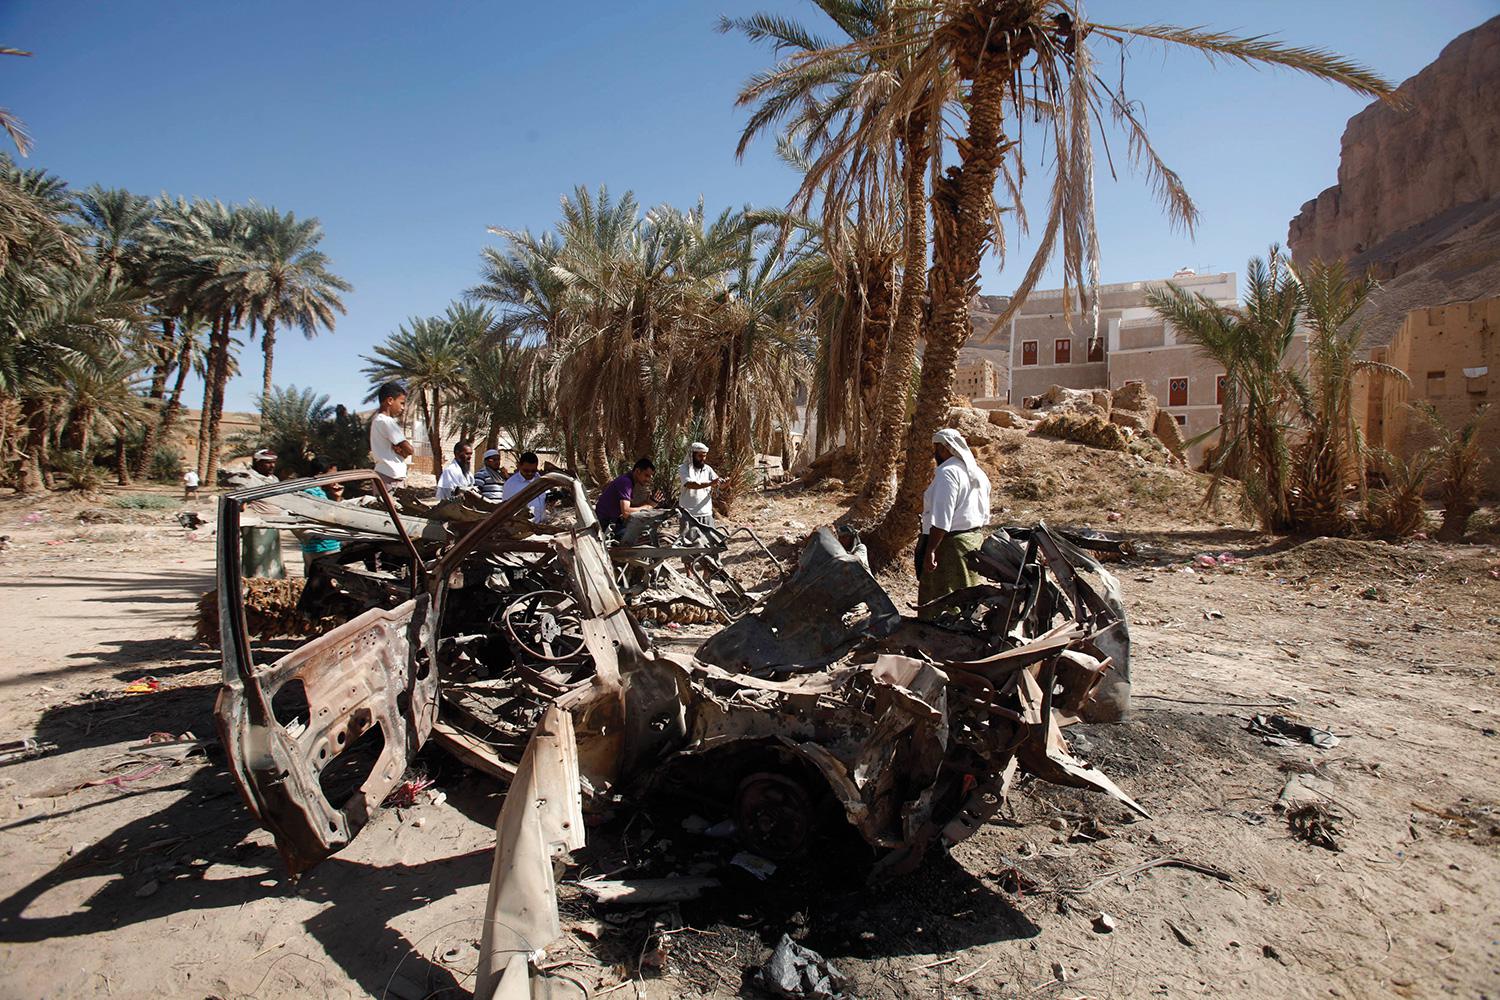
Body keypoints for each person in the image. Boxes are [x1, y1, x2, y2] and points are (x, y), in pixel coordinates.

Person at [916, 428, 992, 620]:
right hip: (973, 540)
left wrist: (931, 549)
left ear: (943, 449)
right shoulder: (977, 473)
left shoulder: (947, 473)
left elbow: (942, 518)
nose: (934, 454)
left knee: (943, 596)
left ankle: (939, 635)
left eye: (936, 449)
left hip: (949, 544)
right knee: (968, 589)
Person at [240, 449, 286, 579]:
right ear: (258, 463)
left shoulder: (274, 479)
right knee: (256, 558)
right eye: (268, 463)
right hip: (255, 526)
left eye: (273, 463)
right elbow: (241, 503)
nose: (272, 466)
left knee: (272, 557)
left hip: (273, 524)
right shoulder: (249, 478)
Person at [297, 456, 343, 573]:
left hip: (316, 545)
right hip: (323, 546)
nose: (335, 479)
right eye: (332, 475)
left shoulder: (313, 491)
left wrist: (336, 497)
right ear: (321, 474)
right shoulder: (314, 494)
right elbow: (331, 517)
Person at [595, 457, 657, 535]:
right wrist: (648, 507)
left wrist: (649, 503)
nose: (648, 479)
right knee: (640, 536)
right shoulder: (625, 482)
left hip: (612, 520)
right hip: (605, 523)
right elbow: (626, 512)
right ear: (638, 471)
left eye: (650, 477)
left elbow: (629, 508)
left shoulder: (629, 481)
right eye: (646, 475)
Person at [370, 381, 413, 490]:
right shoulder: (387, 422)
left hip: (383, 474)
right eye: (401, 403)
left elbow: (403, 452)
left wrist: (402, 451)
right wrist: (404, 450)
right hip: (391, 477)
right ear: (390, 400)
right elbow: (409, 450)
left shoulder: (377, 421)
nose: (403, 408)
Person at [677, 442, 719, 541]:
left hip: (706, 513)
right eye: (700, 456)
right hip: (689, 514)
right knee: (690, 546)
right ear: (692, 455)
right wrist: (710, 483)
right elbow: (690, 484)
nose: (702, 458)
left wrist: (725, 483)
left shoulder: (707, 469)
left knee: (709, 544)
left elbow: (717, 484)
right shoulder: (683, 468)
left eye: (704, 456)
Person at [501, 451, 547, 522]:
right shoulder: (511, 485)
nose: (530, 473)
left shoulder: (540, 479)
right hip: (523, 529)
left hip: (541, 526)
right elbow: (507, 512)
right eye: (526, 470)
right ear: (519, 466)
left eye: (533, 471)